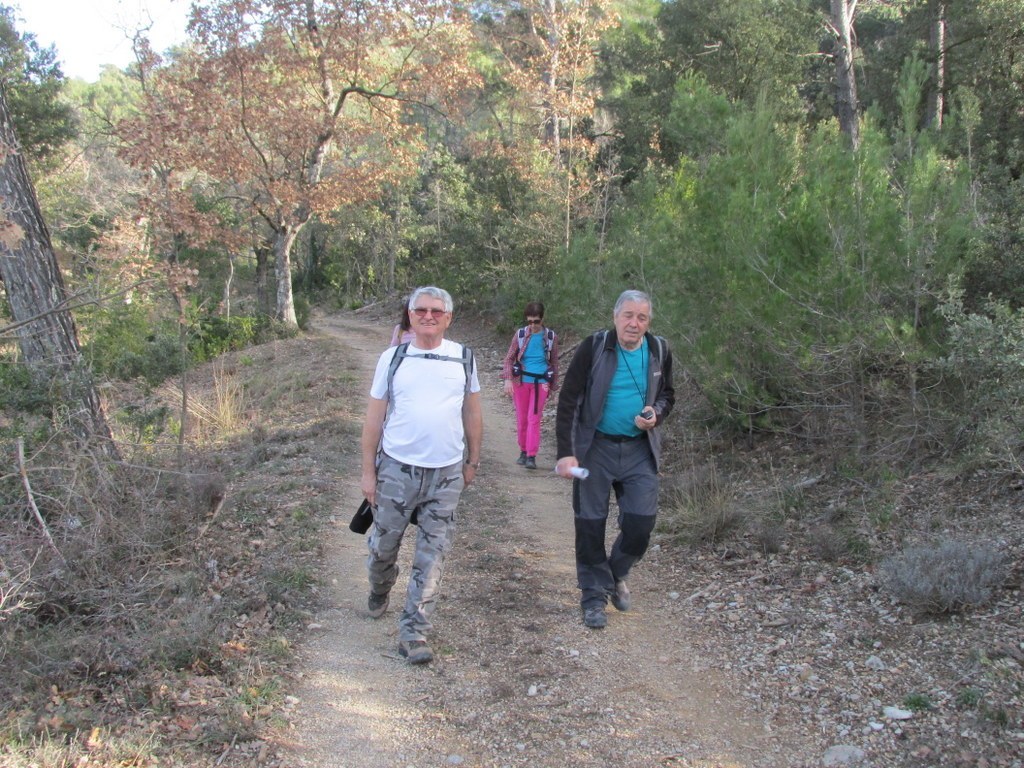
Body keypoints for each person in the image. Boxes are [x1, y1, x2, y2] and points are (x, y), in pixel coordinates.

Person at [360, 286, 484, 664]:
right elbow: (374, 418)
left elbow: (472, 413)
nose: (428, 316)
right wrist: (369, 472)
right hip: (396, 470)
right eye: (421, 310)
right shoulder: (393, 358)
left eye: (436, 311)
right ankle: (380, 587)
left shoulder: (463, 358)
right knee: (384, 547)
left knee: (432, 555)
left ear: (448, 318)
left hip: (446, 474)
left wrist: (472, 462)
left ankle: (413, 632)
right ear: (410, 316)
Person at [554, 289, 675, 629]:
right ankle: (593, 597)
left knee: (641, 525)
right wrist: (566, 451)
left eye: (642, 318)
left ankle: (615, 572)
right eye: (628, 315)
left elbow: (668, 394)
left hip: (639, 449)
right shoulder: (595, 347)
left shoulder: (658, 350)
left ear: (649, 322)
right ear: (615, 316)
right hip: (596, 448)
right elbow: (568, 401)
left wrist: (657, 413)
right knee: (590, 523)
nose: (634, 324)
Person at [502, 301, 559, 470]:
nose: (533, 325)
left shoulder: (550, 337)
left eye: (536, 321)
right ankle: (523, 450)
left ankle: (531, 455)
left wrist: (554, 388)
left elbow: (554, 363)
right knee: (522, 418)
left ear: (542, 319)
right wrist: (507, 379)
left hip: (540, 382)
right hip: (521, 382)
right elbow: (509, 358)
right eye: (529, 321)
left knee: (534, 419)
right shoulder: (520, 335)